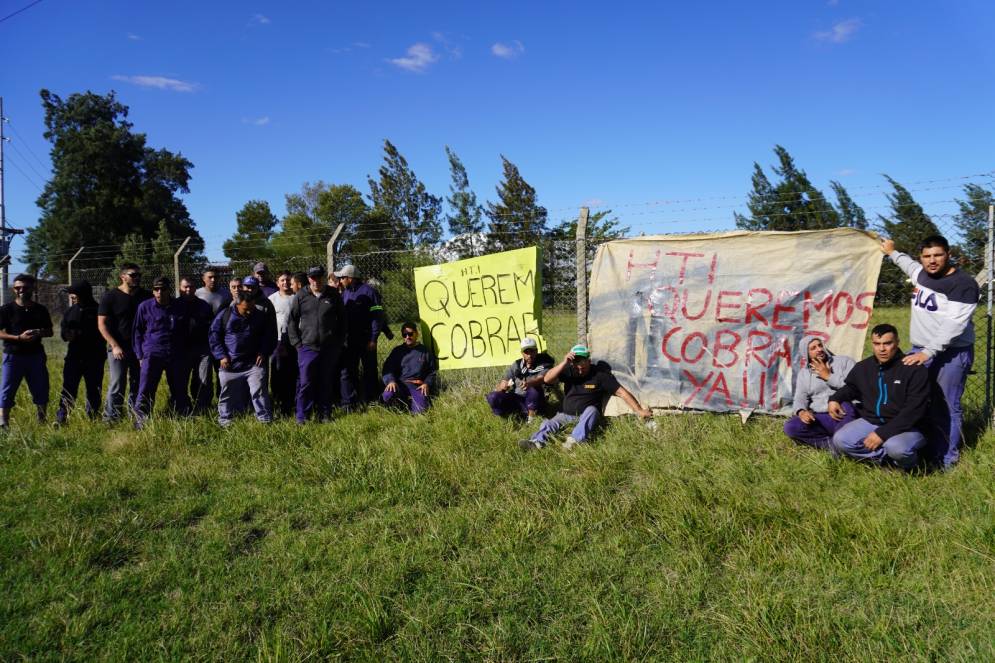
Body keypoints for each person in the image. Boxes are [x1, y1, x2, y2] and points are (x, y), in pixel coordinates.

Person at [881, 235, 979, 469]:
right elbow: (910, 266)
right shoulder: (922, 274)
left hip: (951, 353)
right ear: (921, 257)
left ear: (948, 254)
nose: (932, 261)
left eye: (938, 255)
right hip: (921, 350)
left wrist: (929, 352)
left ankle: (947, 460)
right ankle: (922, 448)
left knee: (946, 405)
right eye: (927, 256)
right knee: (915, 399)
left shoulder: (963, 284)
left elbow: (954, 325)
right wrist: (893, 253)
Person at [828, 324, 930, 471]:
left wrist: (882, 434)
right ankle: (886, 461)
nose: (882, 349)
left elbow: (914, 411)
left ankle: (912, 467)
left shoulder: (914, 369)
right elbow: (851, 388)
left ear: (897, 342)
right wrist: (835, 398)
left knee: (896, 447)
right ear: (872, 344)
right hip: (872, 421)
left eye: (887, 343)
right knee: (840, 440)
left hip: (909, 426)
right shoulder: (863, 367)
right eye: (877, 344)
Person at [519, 344, 653, 451]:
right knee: (550, 423)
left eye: (583, 364)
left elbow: (621, 392)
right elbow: (547, 379)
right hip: (566, 413)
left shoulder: (600, 375)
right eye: (576, 364)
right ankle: (536, 443)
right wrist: (564, 363)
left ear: (589, 361)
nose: (579, 368)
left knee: (592, 410)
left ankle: (574, 441)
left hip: (587, 414)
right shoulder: (568, 370)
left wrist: (639, 410)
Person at [209, 292, 277, 426]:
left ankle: (265, 420)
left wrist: (263, 352)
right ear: (237, 305)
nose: (249, 312)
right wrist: (221, 356)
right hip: (230, 364)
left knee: (259, 393)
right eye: (246, 309)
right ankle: (225, 421)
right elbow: (213, 336)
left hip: (253, 364)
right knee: (227, 394)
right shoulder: (225, 315)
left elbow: (269, 336)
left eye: (252, 308)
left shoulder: (259, 316)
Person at [287, 266, 345, 423]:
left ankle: (325, 414)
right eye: (313, 277)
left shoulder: (333, 295)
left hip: (329, 348)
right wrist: (297, 344)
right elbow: (292, 321)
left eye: (319, 277)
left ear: (323, 278)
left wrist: (338, 342)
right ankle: (302, 416)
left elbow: (342, 320)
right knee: (305, 382)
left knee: (326, 381)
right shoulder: (301, 296)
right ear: (308, 278)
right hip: (307, 348)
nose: (316, 280)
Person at [132, 277, 192, 427]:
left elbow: (187, 329)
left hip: (175, 353)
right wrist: (140, 355)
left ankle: (183, 416)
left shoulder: (179, 306)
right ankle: (142, 419)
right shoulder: (144, 307)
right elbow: (137, 332)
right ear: (153, 291)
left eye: (163, 289)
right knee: (146, 387)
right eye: (156, 289)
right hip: (153, 354)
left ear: (169, 290)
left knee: (179, 386)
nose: (159, 292)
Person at [98, 263, 151, 421]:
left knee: (138, 383)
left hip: (139, 349)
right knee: (117, 383)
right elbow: (102, 324)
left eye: (139, 275)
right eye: (133, 275)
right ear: (122, 277)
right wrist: (114, 346)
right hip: (118, 348)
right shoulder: (110, 296)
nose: (137, 278)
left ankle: (135, 415)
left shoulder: (145, 296)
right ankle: (111, 418)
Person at [783, 335, 857, 449]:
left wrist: (828, 376)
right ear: (806, 354)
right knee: (791, 426)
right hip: (821, 417)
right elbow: (799, 398)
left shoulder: (844, 362)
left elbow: (856, 387)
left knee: (846, 405)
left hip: (844, 413)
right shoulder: (804, 374)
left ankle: (842, 444)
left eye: (820, 345)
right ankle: (831, 445)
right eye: (813, 348)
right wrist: (802, 412)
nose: (819, 349)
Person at [0, 274, 54, 428]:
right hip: (13, 355)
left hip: (35, 356)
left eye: (25, 287)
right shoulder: (6, 309)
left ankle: (42, 420)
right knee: (7, 389)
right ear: (14, 289)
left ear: (32, 288)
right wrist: (18, 338)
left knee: (41, 387)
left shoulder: (40, 309)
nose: (21, 290)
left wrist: (39, 332)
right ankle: (3, 422)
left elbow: (50, 331)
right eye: (17, 288)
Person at [336, 264, 388, 408]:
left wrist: (373, 338)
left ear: (350, 278)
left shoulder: (370, 292)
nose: (340, 281)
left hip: (367, 340)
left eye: (342, 278)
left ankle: (371, 400)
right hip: (350, 340)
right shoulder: (345, 293)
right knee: (348, 371)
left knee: (369, 370)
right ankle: (349, 403)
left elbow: (377, 317)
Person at [56, 281, 105, 424]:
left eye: (74, 294)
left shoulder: (98, 310)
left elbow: (104, 331)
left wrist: (80, 332)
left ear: (83, 294)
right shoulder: (70, 311)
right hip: (74, 357)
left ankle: (93, 418)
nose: (71, 297)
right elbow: (64, 332)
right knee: (68, 388)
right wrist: (67, 335)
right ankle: (62, 418)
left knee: (94, 389)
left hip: (94, 357)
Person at [486, 337, 555, 423]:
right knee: (493, 396)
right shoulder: (517, 365)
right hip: (518, 399)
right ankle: (504, 419)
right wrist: (503, 386)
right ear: (522, 353)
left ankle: (531, 420)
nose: (529, 355)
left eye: (532, 351)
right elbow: (504, 381)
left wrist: (529, 384)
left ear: (536, 351)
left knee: (534, 388)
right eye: (526, 352)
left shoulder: (544, 363)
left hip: (536, 401)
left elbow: (541, 379)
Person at [381, 322, 438, 414]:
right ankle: (400, 407)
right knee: (387, 396)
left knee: (421, 411)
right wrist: (391, 381)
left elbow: (431, 372)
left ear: (417, 334)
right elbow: (388, 368)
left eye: (410, 334)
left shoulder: (425, 351)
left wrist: (427, 383)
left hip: (417, 386)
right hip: (400, 385)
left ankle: (414, 404)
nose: (408, 337)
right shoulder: (397, 351)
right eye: (405, 335)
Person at [180, 277, 215, 414]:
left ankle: (202, 408)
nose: (188, 289)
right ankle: (184, 406)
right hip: (183, 350)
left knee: (204, 379)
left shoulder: (204, 305)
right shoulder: (175, 305)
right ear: (180, 288)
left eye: (191, 287)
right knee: (181, 380)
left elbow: (211, 326)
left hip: (203, 348)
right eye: (185, 287)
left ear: (196, 288)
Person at [268, 270, 298, 416]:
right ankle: (278, 399)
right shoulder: (272, 299)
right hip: (278, 341)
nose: (285, 283)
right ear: (277, 283)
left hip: (295, 341)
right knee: (277, 371)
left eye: (287, 280)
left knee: (293, 371)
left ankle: (292, 399)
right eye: (282, 280)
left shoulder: (297, 297)